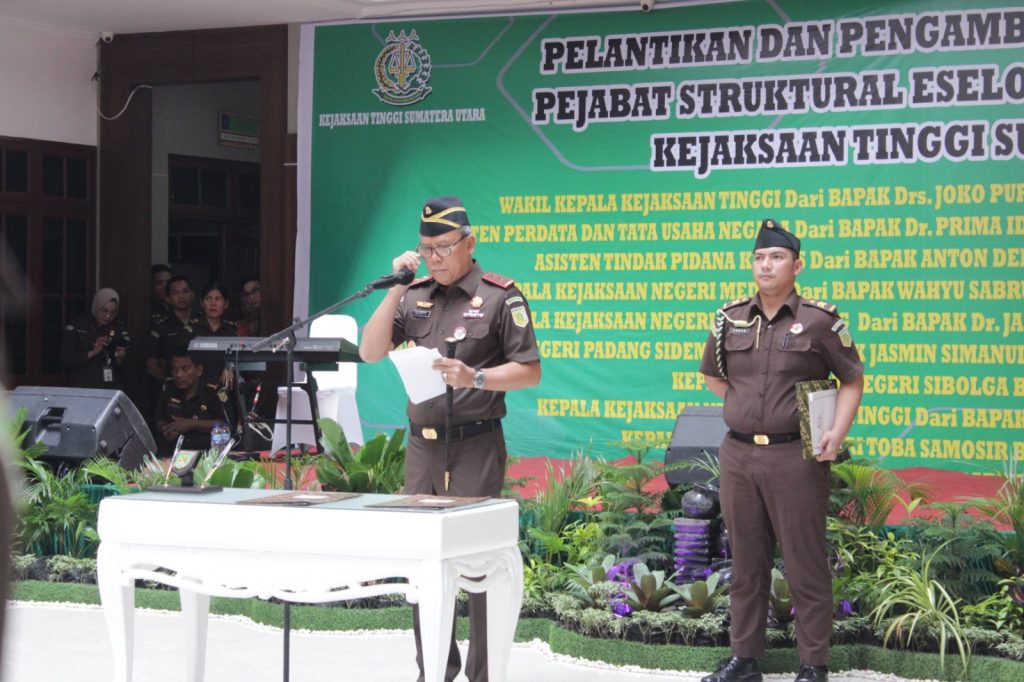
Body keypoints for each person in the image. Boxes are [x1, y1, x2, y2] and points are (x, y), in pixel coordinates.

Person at [359, 195, 541, 682]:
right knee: (424, 566)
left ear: (469, 243)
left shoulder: (501, 297)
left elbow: (529, 371)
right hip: (422, 446)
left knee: (478, 567)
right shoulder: (414, 294)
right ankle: (435, 670)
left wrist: (474, 377)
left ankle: (483, 674)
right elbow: (370, 351)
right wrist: (396, 288)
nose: (434, 258)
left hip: (475, 443)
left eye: (443, 247)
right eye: (426, 249)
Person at [698, 219, 864, 682]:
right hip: (738, 456)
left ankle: (813, 665)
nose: (765, 265)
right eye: (759, 258)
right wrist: (748, 406)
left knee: (804, 563)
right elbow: (713, 376)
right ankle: (745, 659)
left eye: (776, 257)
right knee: (746, 564)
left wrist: (836, 432)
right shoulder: (730, 318)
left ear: (797, 266)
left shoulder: (820, 321)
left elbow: (852, 380)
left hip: (796, 457)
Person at [153, 350, 222, 456]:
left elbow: (224, 425)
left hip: (206, 453)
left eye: (185, 369)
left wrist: (191, 424)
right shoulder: (169, 387)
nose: (179, 374)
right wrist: (166, 429)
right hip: (172, 452)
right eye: (175, 369)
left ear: (199, 370)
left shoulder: (214, 391)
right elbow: (159, 419)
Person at [61, 288, 132, 390]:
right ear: (96, 307)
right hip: (82, 387)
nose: (108, 316)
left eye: (113, 312)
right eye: (104, 310)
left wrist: (120, 358)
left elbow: (128, 369)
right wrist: (92, 353)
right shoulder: (77, 326)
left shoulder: (119, 329)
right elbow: (65, 361)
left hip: (109, 388)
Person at [147, 275, 198, 384]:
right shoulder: (161, 327)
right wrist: (172, 382)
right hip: (172, 385)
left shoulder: (202, 323)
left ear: (192, 295)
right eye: (175, 293)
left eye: (185, 291)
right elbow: (152, 365)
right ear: (168, 299)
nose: (182, 296)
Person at [150, 264, 173, 328]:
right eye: (159, 283)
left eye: (168, 282)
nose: (165, 287)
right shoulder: (145, 309)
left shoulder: (178, 306)